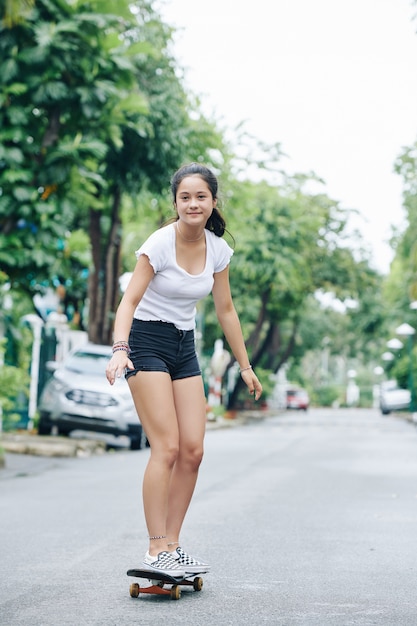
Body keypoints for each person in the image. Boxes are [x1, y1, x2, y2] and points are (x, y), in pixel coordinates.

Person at [105, 162, 262, 577]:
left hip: (182, 346)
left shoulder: (218, 250)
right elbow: (128, 302)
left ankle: (173, 544)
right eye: (185, 197)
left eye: (201, 196)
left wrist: (244, 366)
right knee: (167, 447)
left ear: (213, 201)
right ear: (176, 202)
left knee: (193, 450)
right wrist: (120, 349)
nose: (193, 203)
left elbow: (226, 310)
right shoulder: (158, 243)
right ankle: (156, 549)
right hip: (145, 342)